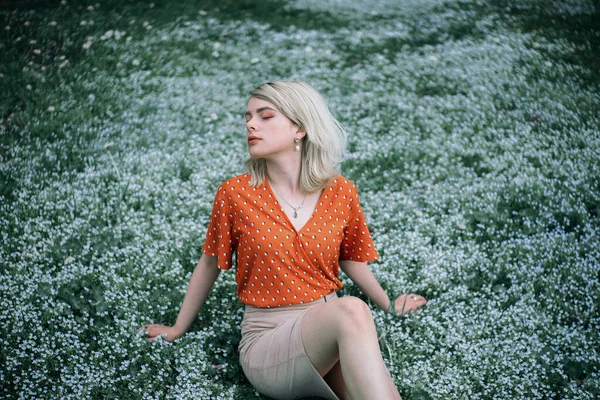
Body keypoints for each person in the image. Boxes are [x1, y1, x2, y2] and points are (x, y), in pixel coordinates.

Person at [140, 81, 427, 400]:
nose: (250, 124)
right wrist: (178, 328)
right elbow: (209, 262)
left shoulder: (341, 191)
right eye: (248, 116)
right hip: (268, 341)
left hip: (328, 327)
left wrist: (389, 304)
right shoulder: (235, 194)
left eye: (265, 116)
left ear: (300, 129)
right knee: (352, 311)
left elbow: (349, 258)